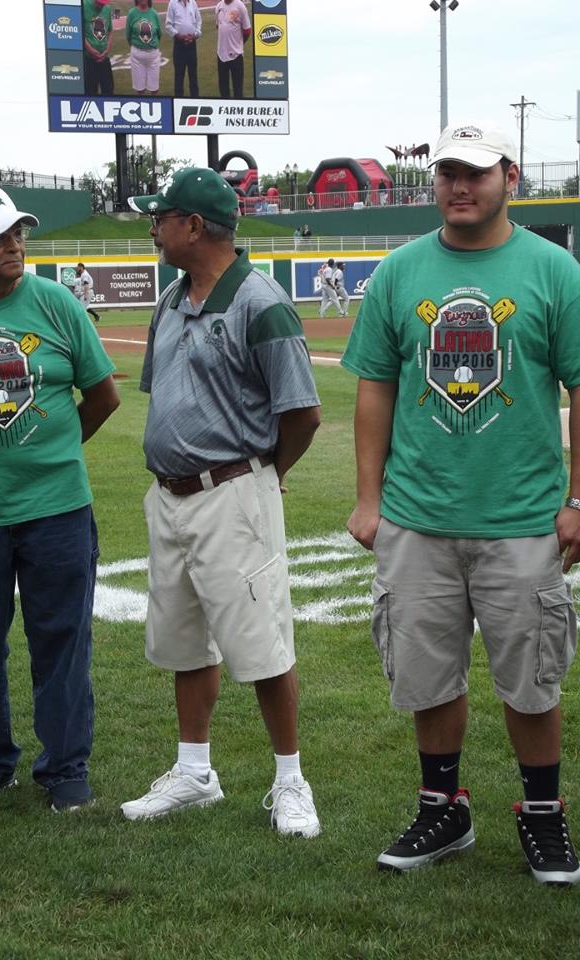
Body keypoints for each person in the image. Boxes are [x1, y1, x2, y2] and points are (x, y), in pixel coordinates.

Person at [342, 122, 580, 885]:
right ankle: (443, 807)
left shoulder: (554, 270)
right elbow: (375, 388)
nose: (459, 185)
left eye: (475, 172)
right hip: (418, 518)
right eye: (447, 172)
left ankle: (543, 815)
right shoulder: (400, 272)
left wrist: (578, 497)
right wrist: (369, 499)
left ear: (509, 176)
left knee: (530, 677)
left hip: (522, 519)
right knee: (427, 672)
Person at [121, 167, 322, 837]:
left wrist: (268, 474)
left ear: (194, 226)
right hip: (169, 495)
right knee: (184, 641)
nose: (153, 227)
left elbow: (302, 413)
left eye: (162, 217)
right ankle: (194, 771)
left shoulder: (261, 302)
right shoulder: (171, 299)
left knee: (263, 646)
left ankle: (291, 781)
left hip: (233, 490)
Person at [0, 182, 119, 813]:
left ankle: (65, 767)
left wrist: (54, 453)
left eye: (18, 232)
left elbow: (102, 397)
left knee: (62, 638)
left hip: (56, 509)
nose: (15, 244)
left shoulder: (56, 304)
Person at [165, 0, 202, 98]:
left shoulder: (193, 3)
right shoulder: (173, 3)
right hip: (179, 45)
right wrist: (178, 35)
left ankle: (195, 100)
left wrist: (195, 35)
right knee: (179, 76)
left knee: (193, 76)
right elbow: (168, 25)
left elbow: (198, 21)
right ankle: (178, 101)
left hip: (192, 45)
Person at [215, 0, 251, 99]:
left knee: (238, 90)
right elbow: (219, 26)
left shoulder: (240, 6)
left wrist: (239, 44)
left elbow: (247, 30)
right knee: (223, 89)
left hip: (236, 55)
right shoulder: (218, 7)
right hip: (221, 55)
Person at [126, 0, 162, 96]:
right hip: (137, 54)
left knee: (154, 89)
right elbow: (128, 35)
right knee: (140, 89)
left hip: (153, 54)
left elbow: (159, 34)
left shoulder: (154, 13)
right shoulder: (132, 13)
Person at [83, 0, 114, 96]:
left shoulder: (107, 8)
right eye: (99, 3)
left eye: (103, 3)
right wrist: (90, 49)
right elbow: (78, 31)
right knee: (90, 91)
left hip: (104, 58)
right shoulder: (83, 6)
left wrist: (107, 49)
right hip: (88, 59)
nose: (101, 6)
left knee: (108, 89)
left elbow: (110, 31)